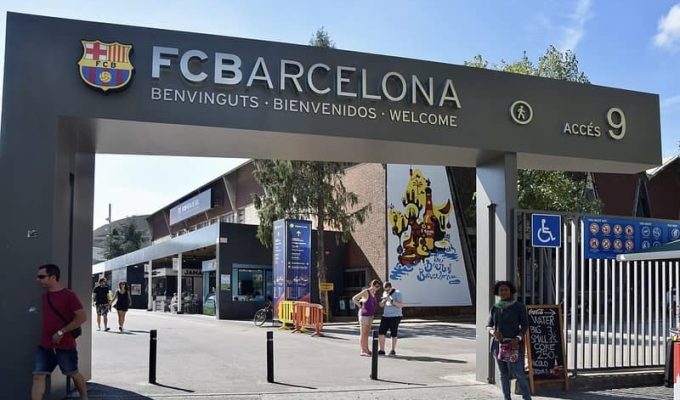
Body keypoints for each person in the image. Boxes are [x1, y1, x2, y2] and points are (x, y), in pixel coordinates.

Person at [32, 263, 88, 400]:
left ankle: (85, 398)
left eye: (41, 276)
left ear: (53, 277)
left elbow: (82, 317)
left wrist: (61, 332)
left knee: (73, 373)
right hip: (45, 345)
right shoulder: (44, 296)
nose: (38, 279)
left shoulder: (69, 295)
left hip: (65, 345)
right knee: (38, 376)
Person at [487, 280, 532, 400]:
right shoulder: (495, 308)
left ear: (511, 291)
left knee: (519, 373)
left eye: (506, 289)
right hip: (498, 346)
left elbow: (525, 326)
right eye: (501, 290)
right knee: (503, 374)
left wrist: (517, 339)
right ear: (498, 292)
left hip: (515, 345)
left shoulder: (519, 307)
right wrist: (494, 333)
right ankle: (507, 397)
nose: (504, 292)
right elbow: (488, 325)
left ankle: (527, 397)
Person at [352, 279, 381, 356]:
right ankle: (363, 350)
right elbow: (354, 298)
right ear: (372, 285)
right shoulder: (366, 291)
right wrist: (361, 306)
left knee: (367, 333)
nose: (377, 288)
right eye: (376, 286)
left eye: (378, 287)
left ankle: (367, 349)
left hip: (370, 315)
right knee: (363, 333)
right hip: (364, 315)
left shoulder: (373, 293)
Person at [378, 281, 403, 356]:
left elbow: (400, 305)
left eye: (388, 290)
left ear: (391, 287)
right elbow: (381, 305)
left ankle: (393, 350)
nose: (386, 291)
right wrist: (382, 302)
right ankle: (382, 350)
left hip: (395, 316)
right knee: (381, 332)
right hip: (385, 316)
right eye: (385, 290)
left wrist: (391, 300)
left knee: (393, 333)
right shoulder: (385, 293)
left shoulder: (398, 293)